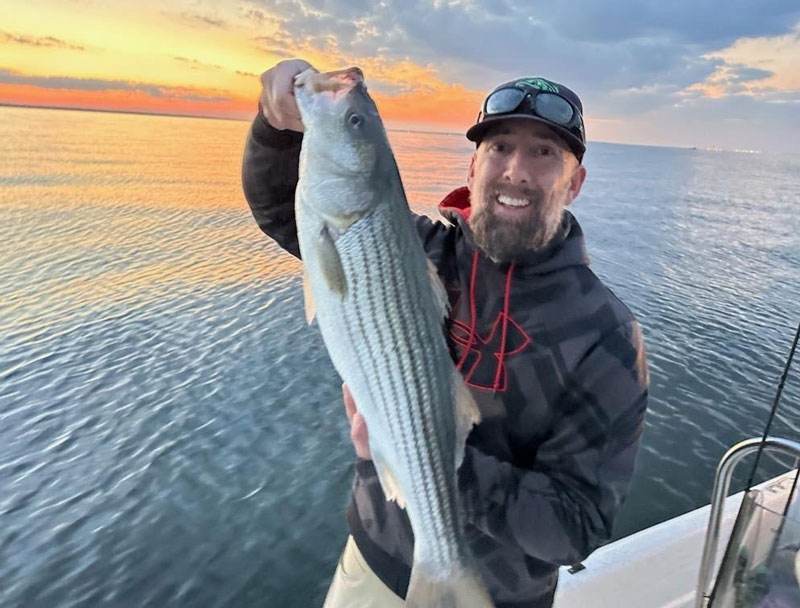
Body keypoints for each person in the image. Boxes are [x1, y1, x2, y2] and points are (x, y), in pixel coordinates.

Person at [242, 59, 649, 608]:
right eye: (499, 147)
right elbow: (279, 208)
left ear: (574, 184)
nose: (516, 171)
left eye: (544, 153)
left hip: (500, 595)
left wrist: (426, 456)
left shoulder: (606, 334)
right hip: (375, 559)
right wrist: (275, 124)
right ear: (473, 166)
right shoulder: (411, 248)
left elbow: (576, 526)